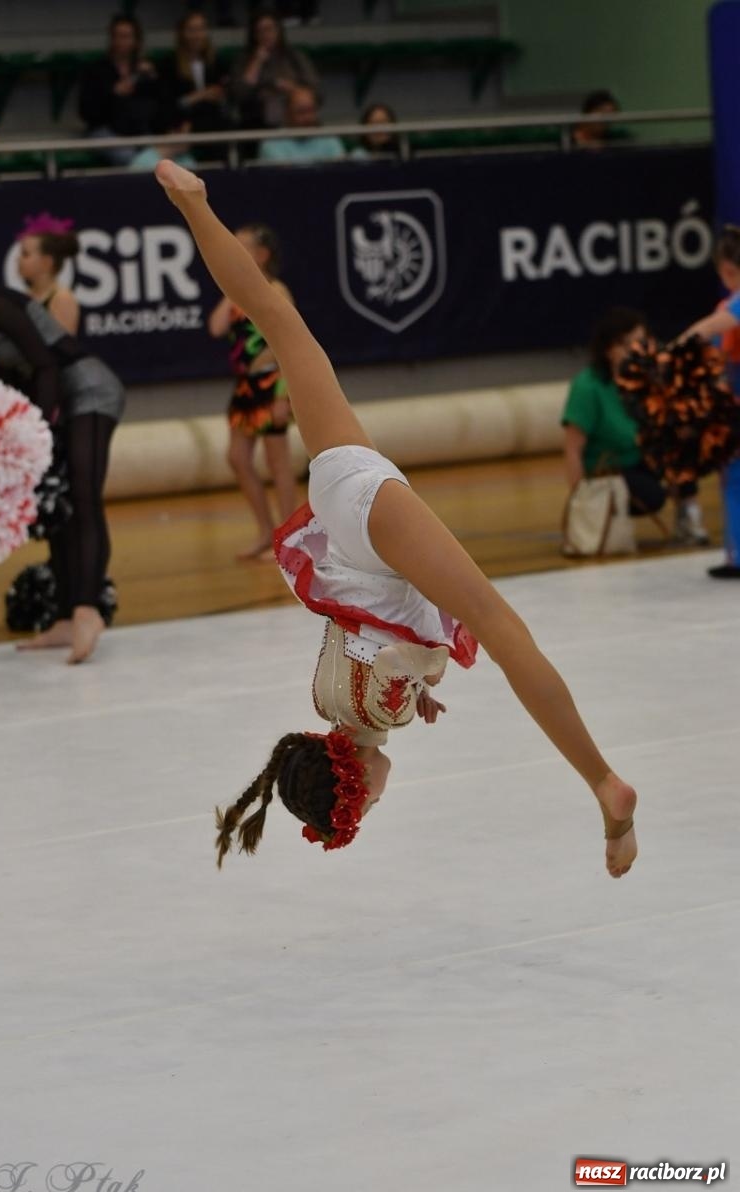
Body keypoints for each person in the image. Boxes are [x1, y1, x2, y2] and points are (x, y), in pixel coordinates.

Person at [155, 159, 638, 880]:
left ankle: (603, 782)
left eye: (368, 805)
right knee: (281, 323)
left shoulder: (379, 718)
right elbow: (373, 648)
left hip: (372, 534)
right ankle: (195, 205)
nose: (382, 799)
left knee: (504, 631)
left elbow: (401, 653)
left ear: (352, 781)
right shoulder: (334, 706)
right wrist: (416, 684)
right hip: (339, 510)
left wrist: (421, 678)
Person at [0, 242, 124, 663]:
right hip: (63, 401)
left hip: (91, 392)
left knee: (82, 498)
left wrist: (39, 429)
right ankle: (62, 616)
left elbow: (46, 365)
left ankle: (87, 609)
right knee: (57, 510)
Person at [562, 307, 708, 543]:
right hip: (606, 471)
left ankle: (688, 517)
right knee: (652, 495)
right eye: (627, 345)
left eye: (642, 342)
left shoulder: (650, 378)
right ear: (609, 350)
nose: (636, 351)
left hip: (641, 457)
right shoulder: (588, 387)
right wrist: (580, 501)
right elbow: (572, 449)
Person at [207, 223, 298, 559]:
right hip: (245, 386)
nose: (234, 252)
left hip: (271, 380)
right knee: (237, 458)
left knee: (278, 464)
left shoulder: (276, 290)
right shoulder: (236, 292)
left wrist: (282, 395)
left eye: (241, 248)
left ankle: (291, 540)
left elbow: (289, 342)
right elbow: (216, 327)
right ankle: (265, 532)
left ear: (262, 255)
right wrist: (231, 289)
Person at [682, 225, 740, 578]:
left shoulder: (731, 307)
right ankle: (735, 554)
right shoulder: (727, 304)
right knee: (732, 478)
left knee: (733, 479)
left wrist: (676, 345)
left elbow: (714, 326)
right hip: (733, 404)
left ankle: (737, 555)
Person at [0, 213, 80, 379]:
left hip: (47, 384)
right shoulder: (20, 298)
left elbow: (61, 351)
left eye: (25, 254)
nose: (18, 260)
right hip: (19, 380)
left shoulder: (62, 298)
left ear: (46, 262)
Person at [78, 14, 161, 166]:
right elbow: (86, 112)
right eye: (117, 36)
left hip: (139, 130)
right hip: (105, 130)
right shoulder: (97, 70)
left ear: (136, 40)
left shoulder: (146, 71)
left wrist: (153, 78)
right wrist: (113, 93)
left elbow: (159, 105)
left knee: (166, 157)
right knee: (129, 157)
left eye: (127, 36)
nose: (121, 41)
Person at [229, 5, 320, 130]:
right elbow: (239, 95)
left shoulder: (295, 56)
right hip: (257, 122)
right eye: (260, 31)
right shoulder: (244, 59)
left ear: (278, 30)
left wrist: (292, 89)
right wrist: (257, 61)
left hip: (297, 119)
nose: (265, 35)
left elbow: (317, 93)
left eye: (269, 29)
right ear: (254, 35)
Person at [158, 11, 232, 148]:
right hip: (183, 124)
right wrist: (200, 96)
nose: (197, 35)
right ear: (182, 33)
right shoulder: (169, 64)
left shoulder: (218, 63)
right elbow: (167, 105)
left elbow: (227, 98)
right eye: (191, 30)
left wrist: (220, 96)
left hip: (214, 124)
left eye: (201, 29)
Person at [257, 85, 345, 164]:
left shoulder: (330, 139)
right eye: (301, 112)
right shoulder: (271, 144)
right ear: (287, 114)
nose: (308, 118)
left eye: (311, 110)